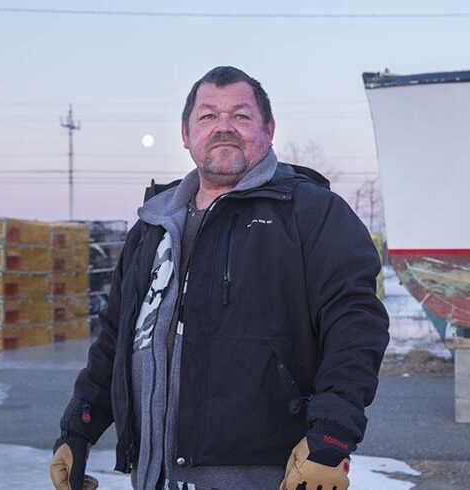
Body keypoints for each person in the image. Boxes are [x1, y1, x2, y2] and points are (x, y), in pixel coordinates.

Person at [50, 66, 390, 490]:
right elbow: (117, 337)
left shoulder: (312, 213)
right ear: (185, 133)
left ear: (269, 128)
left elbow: (356, 324)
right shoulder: (153, 225)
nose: (224, 128)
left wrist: (331, 436)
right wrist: (79, 428)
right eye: (208, 116)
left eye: (241, 116)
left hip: (269, 475)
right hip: (155, 476)